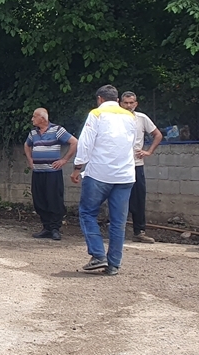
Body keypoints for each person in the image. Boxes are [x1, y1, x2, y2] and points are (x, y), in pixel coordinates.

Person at [72, 84, 137, 276]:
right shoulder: (131, 117)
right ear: (117, 100)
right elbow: (132, 143)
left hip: (99, 173)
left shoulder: (96, 114)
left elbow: (85, 142)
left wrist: (77, 167)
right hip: (125, 175)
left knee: (87, 213)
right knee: (118, 221)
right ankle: (114, 264)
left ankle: (98, 254)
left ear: (99, 99)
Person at [23, 108, 77, 240]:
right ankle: (46, 227)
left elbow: (74, 142)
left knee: (54, 199)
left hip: (52, 173)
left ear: (42, 118)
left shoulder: (57, 130)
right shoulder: (33, 133)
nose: (32, 119)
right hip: (38, 172)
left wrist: (64, 160)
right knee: (39, 200)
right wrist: (30, 159)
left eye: (34, 116)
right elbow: (26, 145)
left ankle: (55, 228)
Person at [120, 91, 163, 243]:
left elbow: (157, 135)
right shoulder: (115, 118)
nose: (128, 105)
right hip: (117, 165)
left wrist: (149, 151)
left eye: (131, 103)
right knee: (117, 198)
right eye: (126, 103)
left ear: (136, 104)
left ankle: (139, 232)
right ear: (120, 103)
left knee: (138, 198)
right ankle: (116, 230)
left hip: (136, 164)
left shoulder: (142, 118)